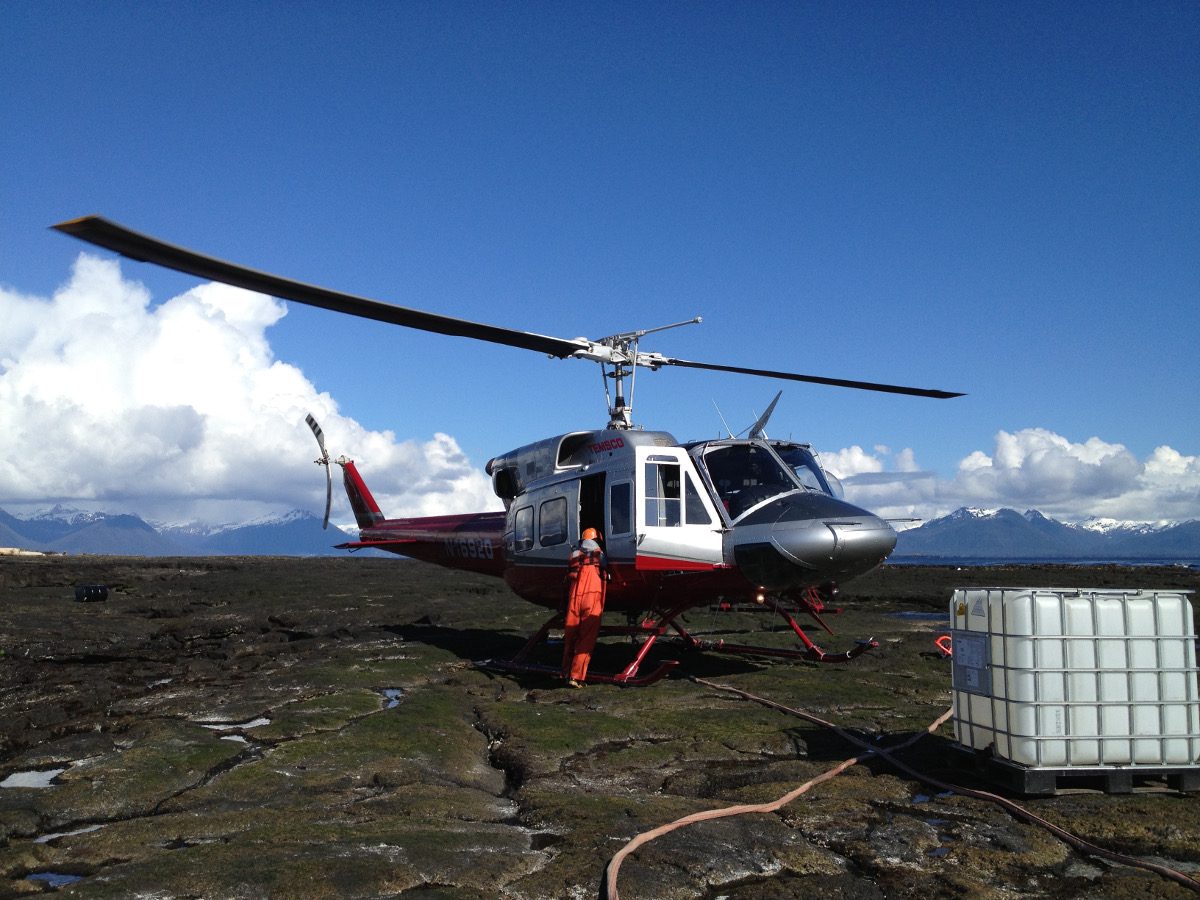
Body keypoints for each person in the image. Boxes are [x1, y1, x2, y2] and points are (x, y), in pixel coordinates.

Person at [562, 527, 607, 687]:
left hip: (575, 596)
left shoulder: (574, 554)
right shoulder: (599, 553)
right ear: (595, 540)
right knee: (587, 636)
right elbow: (605, 566)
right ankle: (576, 676)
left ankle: (565, 672)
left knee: (570, 633)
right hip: (591, 595)